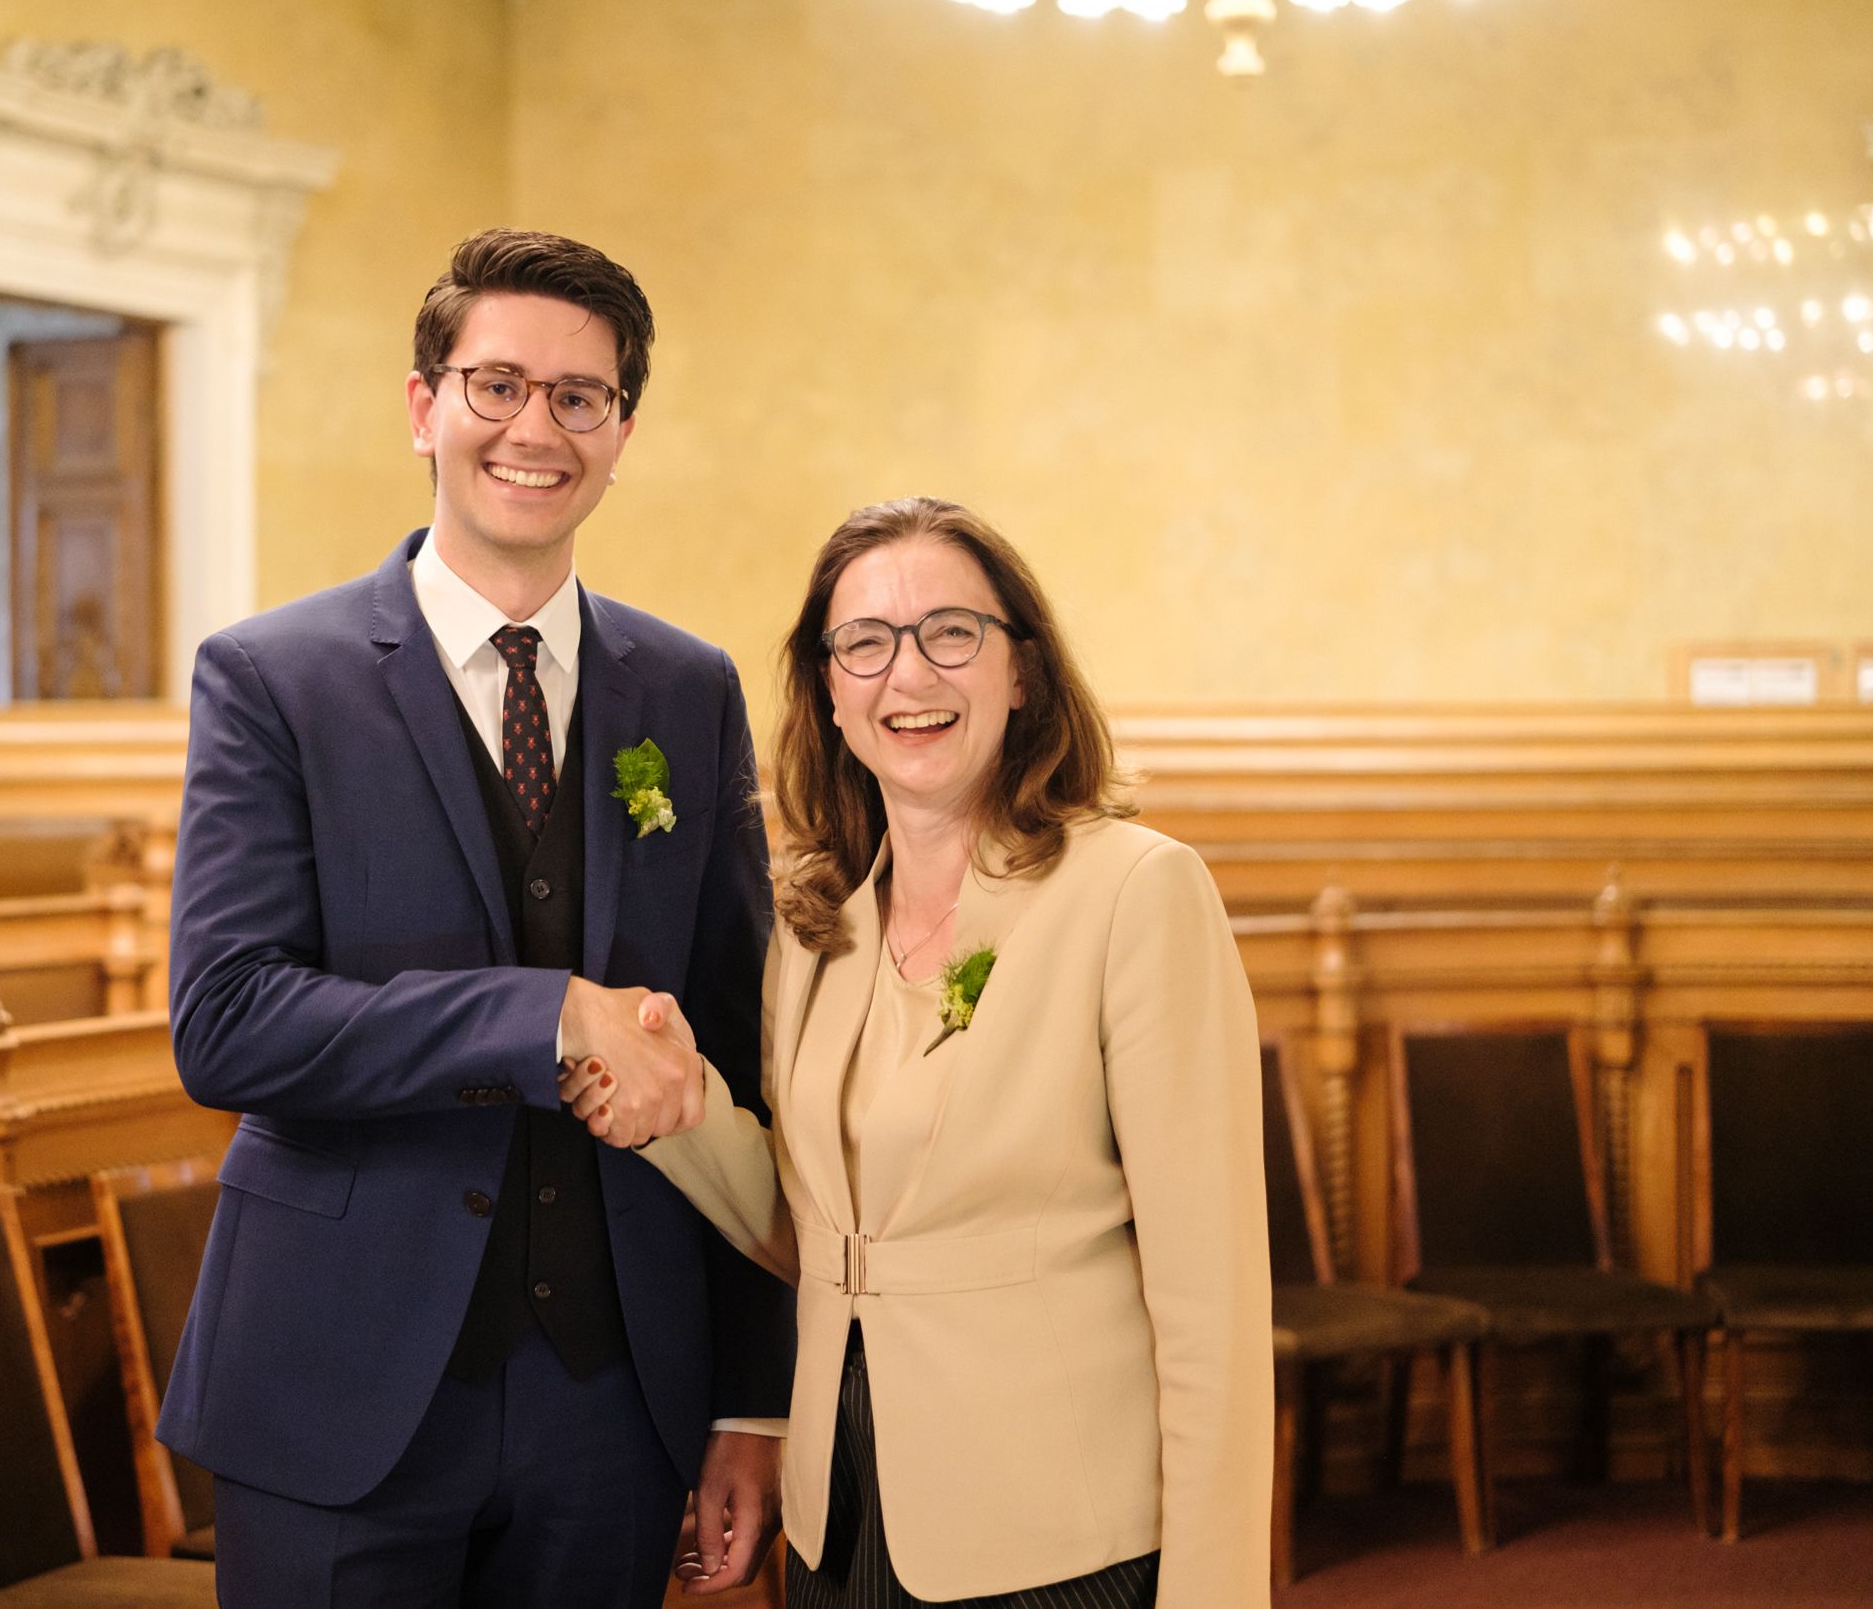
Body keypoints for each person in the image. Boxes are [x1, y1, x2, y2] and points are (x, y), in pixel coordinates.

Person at [158, 229, 793, 1607]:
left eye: (582, 396)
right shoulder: (275, 677)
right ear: (423, 406)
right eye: (496, 382)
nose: (535, 427)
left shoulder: (689, 690)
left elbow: (743, 1054)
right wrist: (541, 1013)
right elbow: (226, 1022)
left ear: (622, 430)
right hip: (338, 1376)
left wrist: (754, 1397)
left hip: (614, 1394)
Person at [566, 496, 1272, 1608]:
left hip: (1055, 1537)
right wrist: (676, 1106)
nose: (909, 676)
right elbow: (821, 1232)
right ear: (830, 692)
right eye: (866, 643)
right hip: (842, 1522)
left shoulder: (1133, 891)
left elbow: (1211, 1304)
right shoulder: (818, 924)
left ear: (1022, 670)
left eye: (952, 632)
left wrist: (1215, 1595)